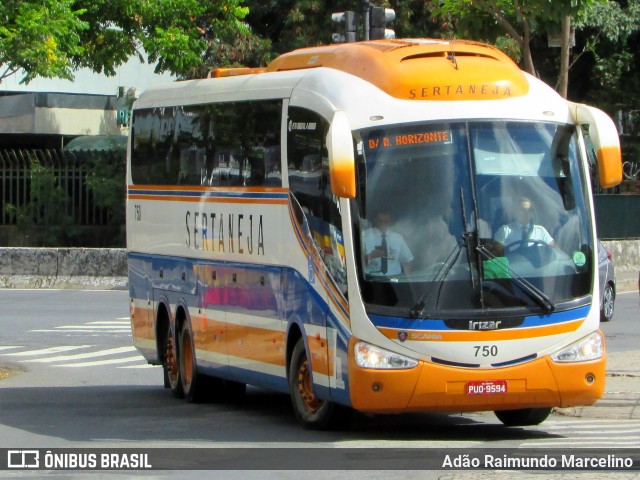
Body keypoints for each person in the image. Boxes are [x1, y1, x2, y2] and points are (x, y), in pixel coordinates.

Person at [363, 210, 414, 276]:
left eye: (386, 222)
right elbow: (356, 263)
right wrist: (370, 256)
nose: (383, 224)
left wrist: (407, 281)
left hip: (394, 280)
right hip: (371, 281)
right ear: (375, 220)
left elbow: (408, 260)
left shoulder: (398, 238)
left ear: (390, 222)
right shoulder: (364, 236)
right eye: (380, 221)